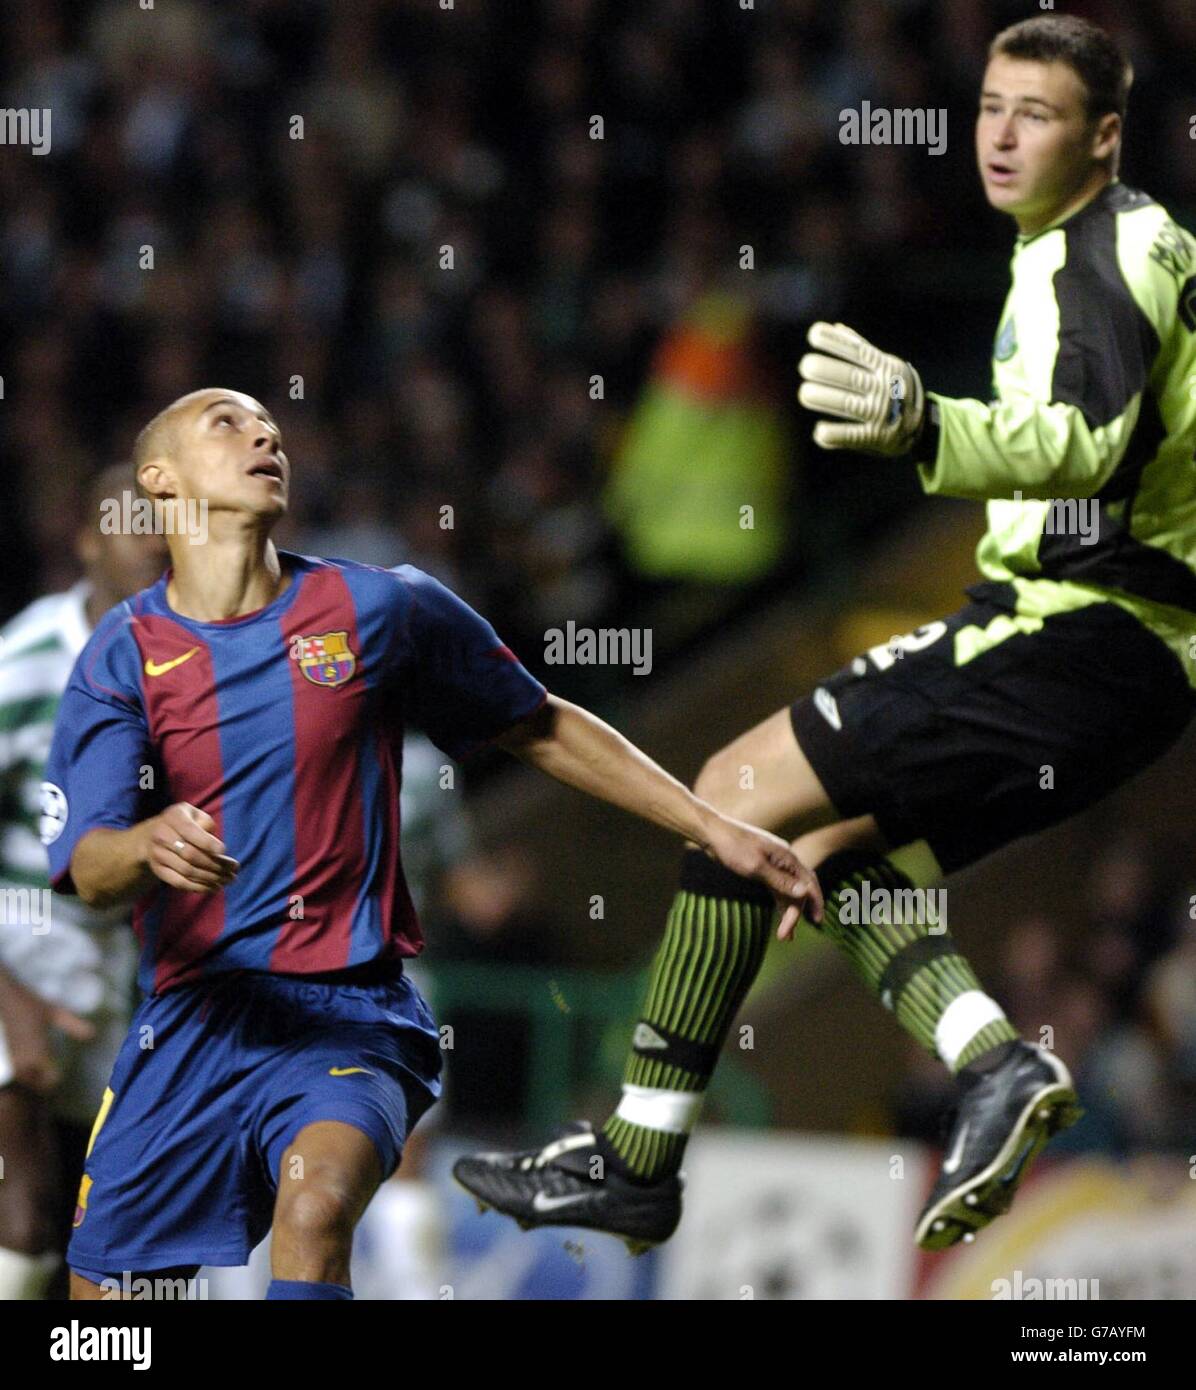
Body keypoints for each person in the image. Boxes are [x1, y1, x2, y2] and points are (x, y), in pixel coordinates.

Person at [453, 13, 1196, 1252]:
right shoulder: (1072, 254)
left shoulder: (1109, 247)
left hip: (1078, 626)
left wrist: (925, 426)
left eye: (1039, 114)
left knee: (730, 793)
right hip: (1125, 664)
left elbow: (1090, 439)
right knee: (825, 855)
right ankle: (993, 1063)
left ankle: (638, 1156)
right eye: (990, 108)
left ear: (1104, 137)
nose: (1001, 136)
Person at [44, 387, 821, 1300]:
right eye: (227, 421)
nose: (264, 433)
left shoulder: (379, 609)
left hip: (348, 1015)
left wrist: (712, 824)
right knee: (103, 1317)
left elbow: (540, 724)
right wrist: (146, 845)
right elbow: (86, 870)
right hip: (190, 1023)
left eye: (271, 425)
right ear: (159, 479)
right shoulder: (121, 654)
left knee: (315, 1206)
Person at [0, 465, 167, 1299]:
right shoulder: (25, 663)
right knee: (21, 1224)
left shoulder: (191, 670)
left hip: (119, 967)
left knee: (93, 1242)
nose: (151, 531)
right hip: (16, 943)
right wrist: (15, 1002)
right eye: (129, 516)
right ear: (86, 541)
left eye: (167, 517)